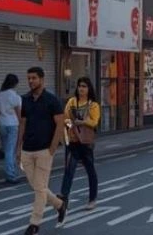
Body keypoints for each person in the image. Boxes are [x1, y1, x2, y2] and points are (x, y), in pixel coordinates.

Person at [17, 67, 64, 235]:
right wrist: (18, 148)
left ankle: (34, 223)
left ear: (42, 80)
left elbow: (60, 123)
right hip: (27, 150)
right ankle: (59, 204)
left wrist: (53, 146)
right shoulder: (25, 100)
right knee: (38, 186)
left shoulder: (52, 100)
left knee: (39, 188)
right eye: (28, 78)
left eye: (34, 78)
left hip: (44, 150)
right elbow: (22, 123)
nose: (30, 81)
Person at [58, 77, 100, 219]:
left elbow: (94, 123)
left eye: (84, 86)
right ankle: (63, 198)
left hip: (86, 143)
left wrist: (82, 121)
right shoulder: (72, 102)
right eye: (79, 86)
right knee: (69, 170)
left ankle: (92, 199)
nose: (81, 89)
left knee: (90, 170)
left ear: (89, 89)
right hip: (73, 141)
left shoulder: (93, 105)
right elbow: (65, 118)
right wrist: (71, 125)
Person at [0, 73, 22, 184]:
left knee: (7, 149)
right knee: (10, 150)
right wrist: (22, 124)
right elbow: (18, 112)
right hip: (12, 124)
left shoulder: (1, 94)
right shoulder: (14, 96)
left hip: (2, 123)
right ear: (15, 84)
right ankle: (11, 175)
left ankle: (11, 172)